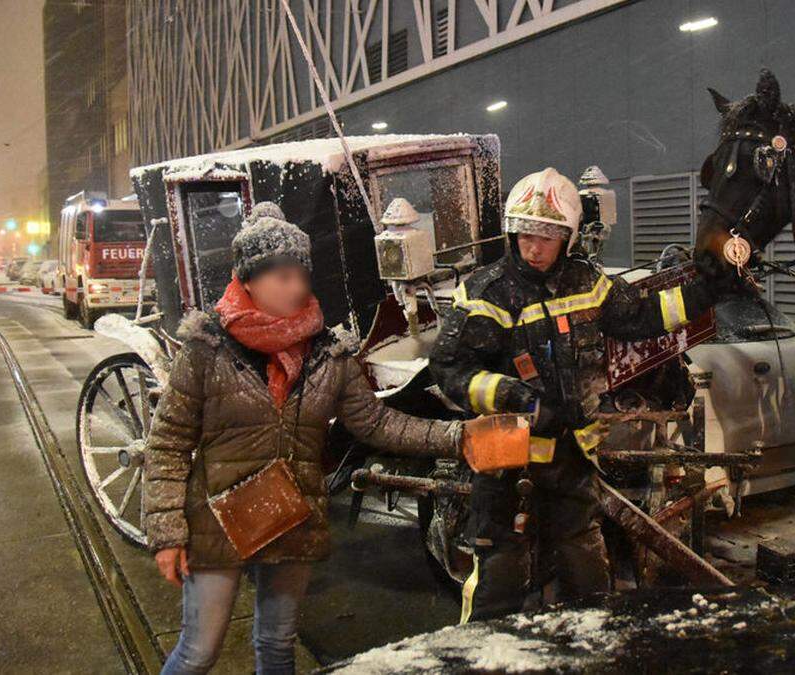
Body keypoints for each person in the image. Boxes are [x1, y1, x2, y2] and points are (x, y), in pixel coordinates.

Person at [144, 202, 466, 674]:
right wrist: (167, 534)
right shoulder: (206, 347)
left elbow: (376, 423)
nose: (296, 287)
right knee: (199, 651)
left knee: (276, 645)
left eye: (301, 275)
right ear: (248, 280)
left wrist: (456, 436)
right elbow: (169, 442)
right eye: (282, 276)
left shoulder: (329, 353)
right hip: (215, 518)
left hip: (292, 515)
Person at [429, 168, 716, 622]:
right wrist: (518, 399)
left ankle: (590, 652)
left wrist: (706, 292)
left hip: (570, 457)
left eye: (547, 236)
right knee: (499, 581)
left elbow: (641, 316)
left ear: (568, 238)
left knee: (587, 575)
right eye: (525, 234)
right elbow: (449, 370)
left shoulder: (587, 282)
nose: (534, 247)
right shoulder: (486, 293)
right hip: (506, 464)